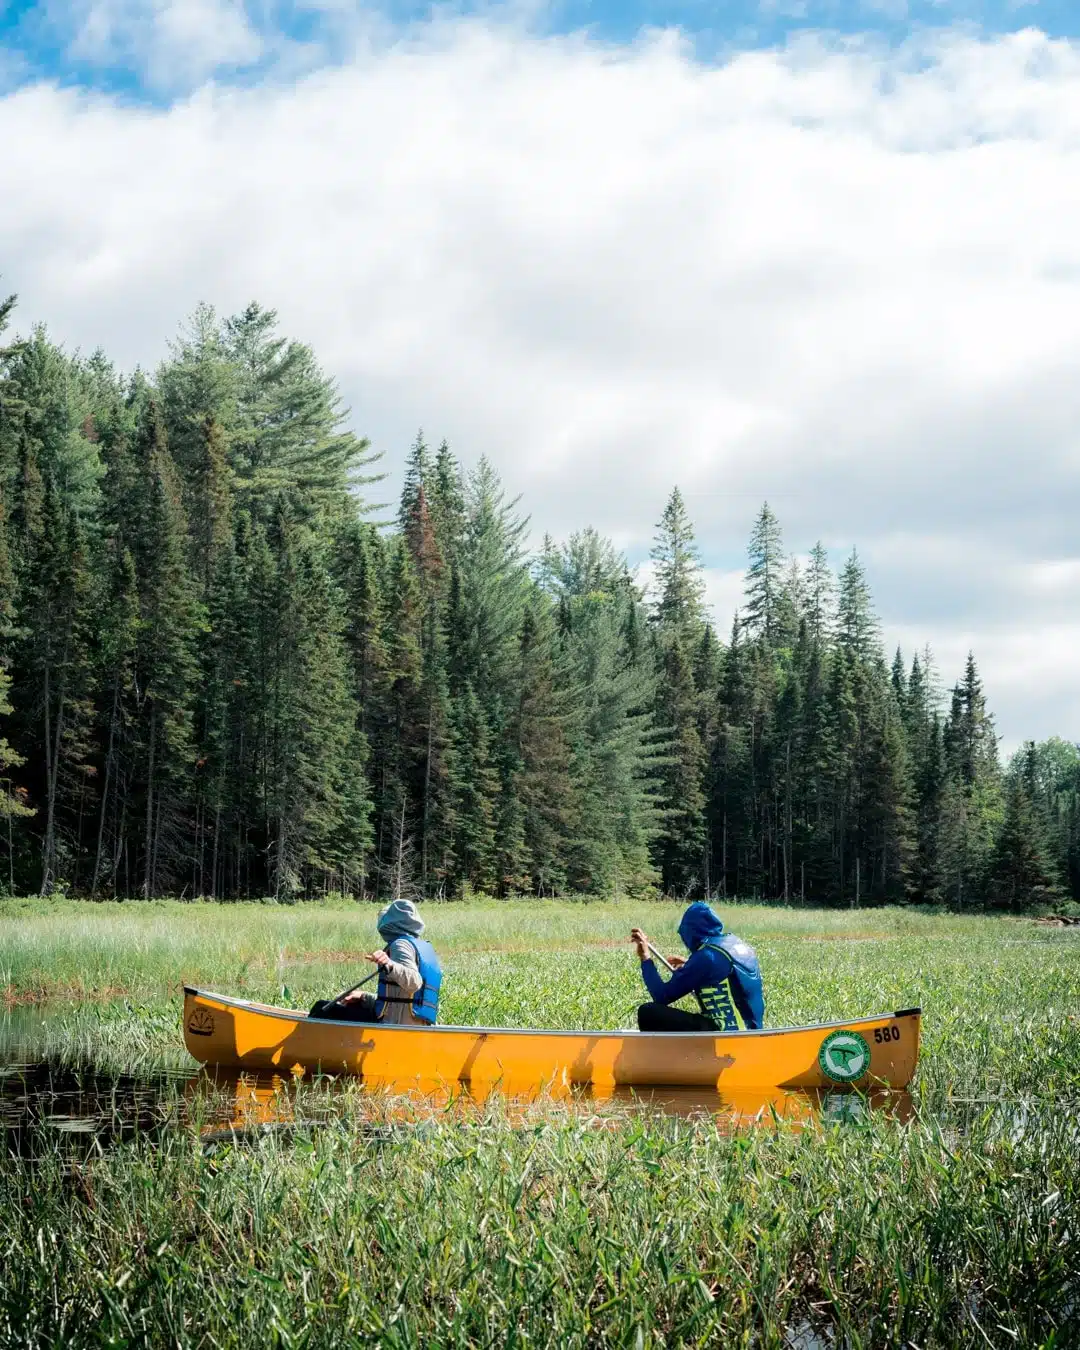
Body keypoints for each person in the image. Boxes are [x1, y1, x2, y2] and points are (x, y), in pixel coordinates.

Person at [631, 902, 764, 1033]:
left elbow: (661, 996)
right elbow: (726, 974)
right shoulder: (735, 944)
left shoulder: (706, 957)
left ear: (690, 932)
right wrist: (689, 964)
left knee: (648, 1012)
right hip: (751, 1032)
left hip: (726, 1033)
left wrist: (645, 958)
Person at [308, 899, 442, 1025]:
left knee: (322, 1008)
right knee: (352, 1004)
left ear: (393, 922)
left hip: (394, 1025)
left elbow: (414, 983)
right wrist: (365, 997)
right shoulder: (419, 946)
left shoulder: (400, 945)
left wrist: (389, 964)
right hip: (413, 1024)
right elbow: (400, 1001)